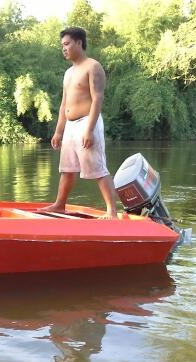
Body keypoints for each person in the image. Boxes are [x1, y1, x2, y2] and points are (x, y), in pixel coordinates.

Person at [41, 27, 119, 220]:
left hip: (87, 123)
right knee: (67, 169)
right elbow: (63, 104)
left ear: (78, 43)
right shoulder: (68, 73)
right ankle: (59, 205)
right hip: (70, 126)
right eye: (62, 46)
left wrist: (90, 130)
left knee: (98, 168)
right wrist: (58, 132)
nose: (64, 48)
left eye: (67, 44)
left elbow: (98, 99)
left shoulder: (93, 66)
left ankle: (112, 211)